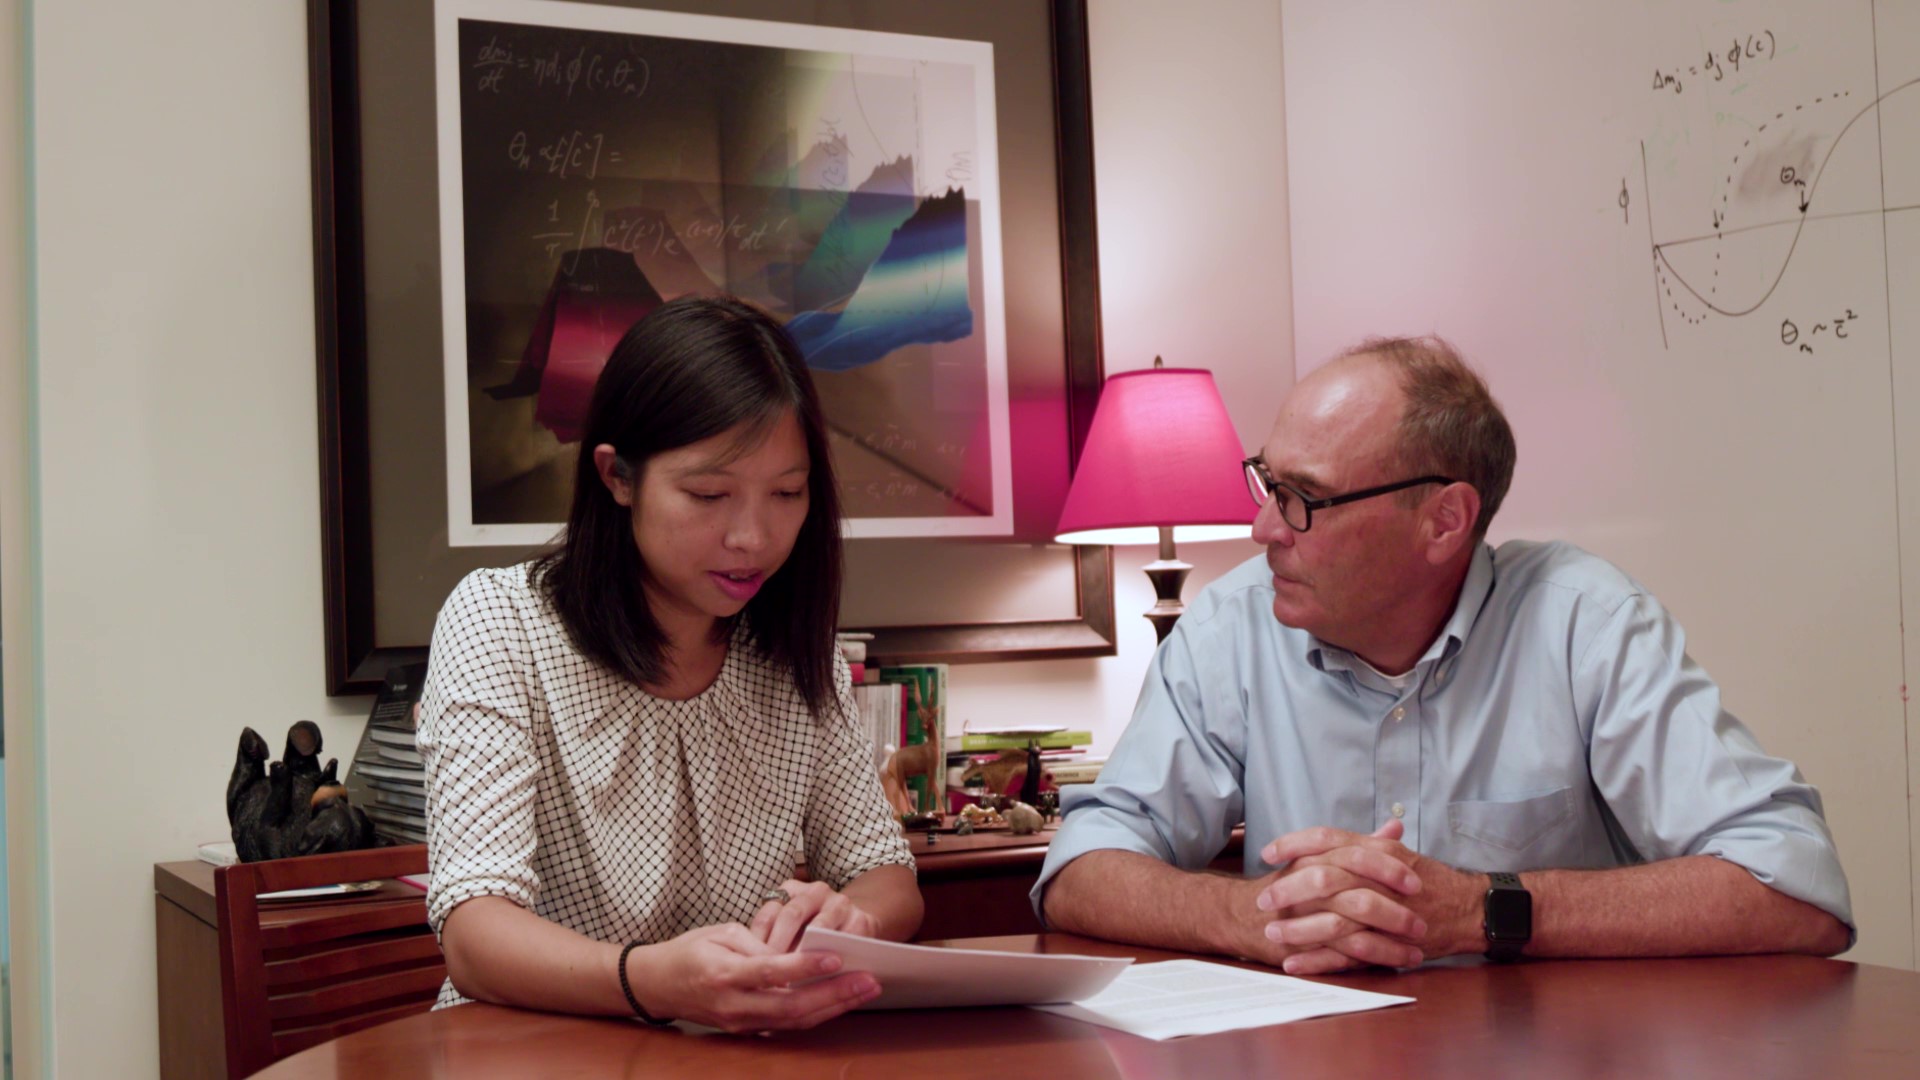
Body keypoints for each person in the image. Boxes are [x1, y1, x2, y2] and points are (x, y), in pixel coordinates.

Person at [1035, 336, 1852, 974]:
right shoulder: (1231, 630)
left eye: (1304, 499)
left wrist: (1483, 909)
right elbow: (1079, 869)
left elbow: (1795, 885)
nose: (1264, 529)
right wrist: (1247, 917)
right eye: (1265, 481)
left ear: (1445, 522)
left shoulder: (1583, 623)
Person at [419, 295, 921, 1032]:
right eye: (709, 494)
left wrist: (846, 919)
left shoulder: (787, 649)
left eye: (787, 492)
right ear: (617, 477)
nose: (753, 536)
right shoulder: (502, 623)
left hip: (725, 1050)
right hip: (528, 1049)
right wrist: (650, 981)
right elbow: (474, 930)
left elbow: (887, 875)